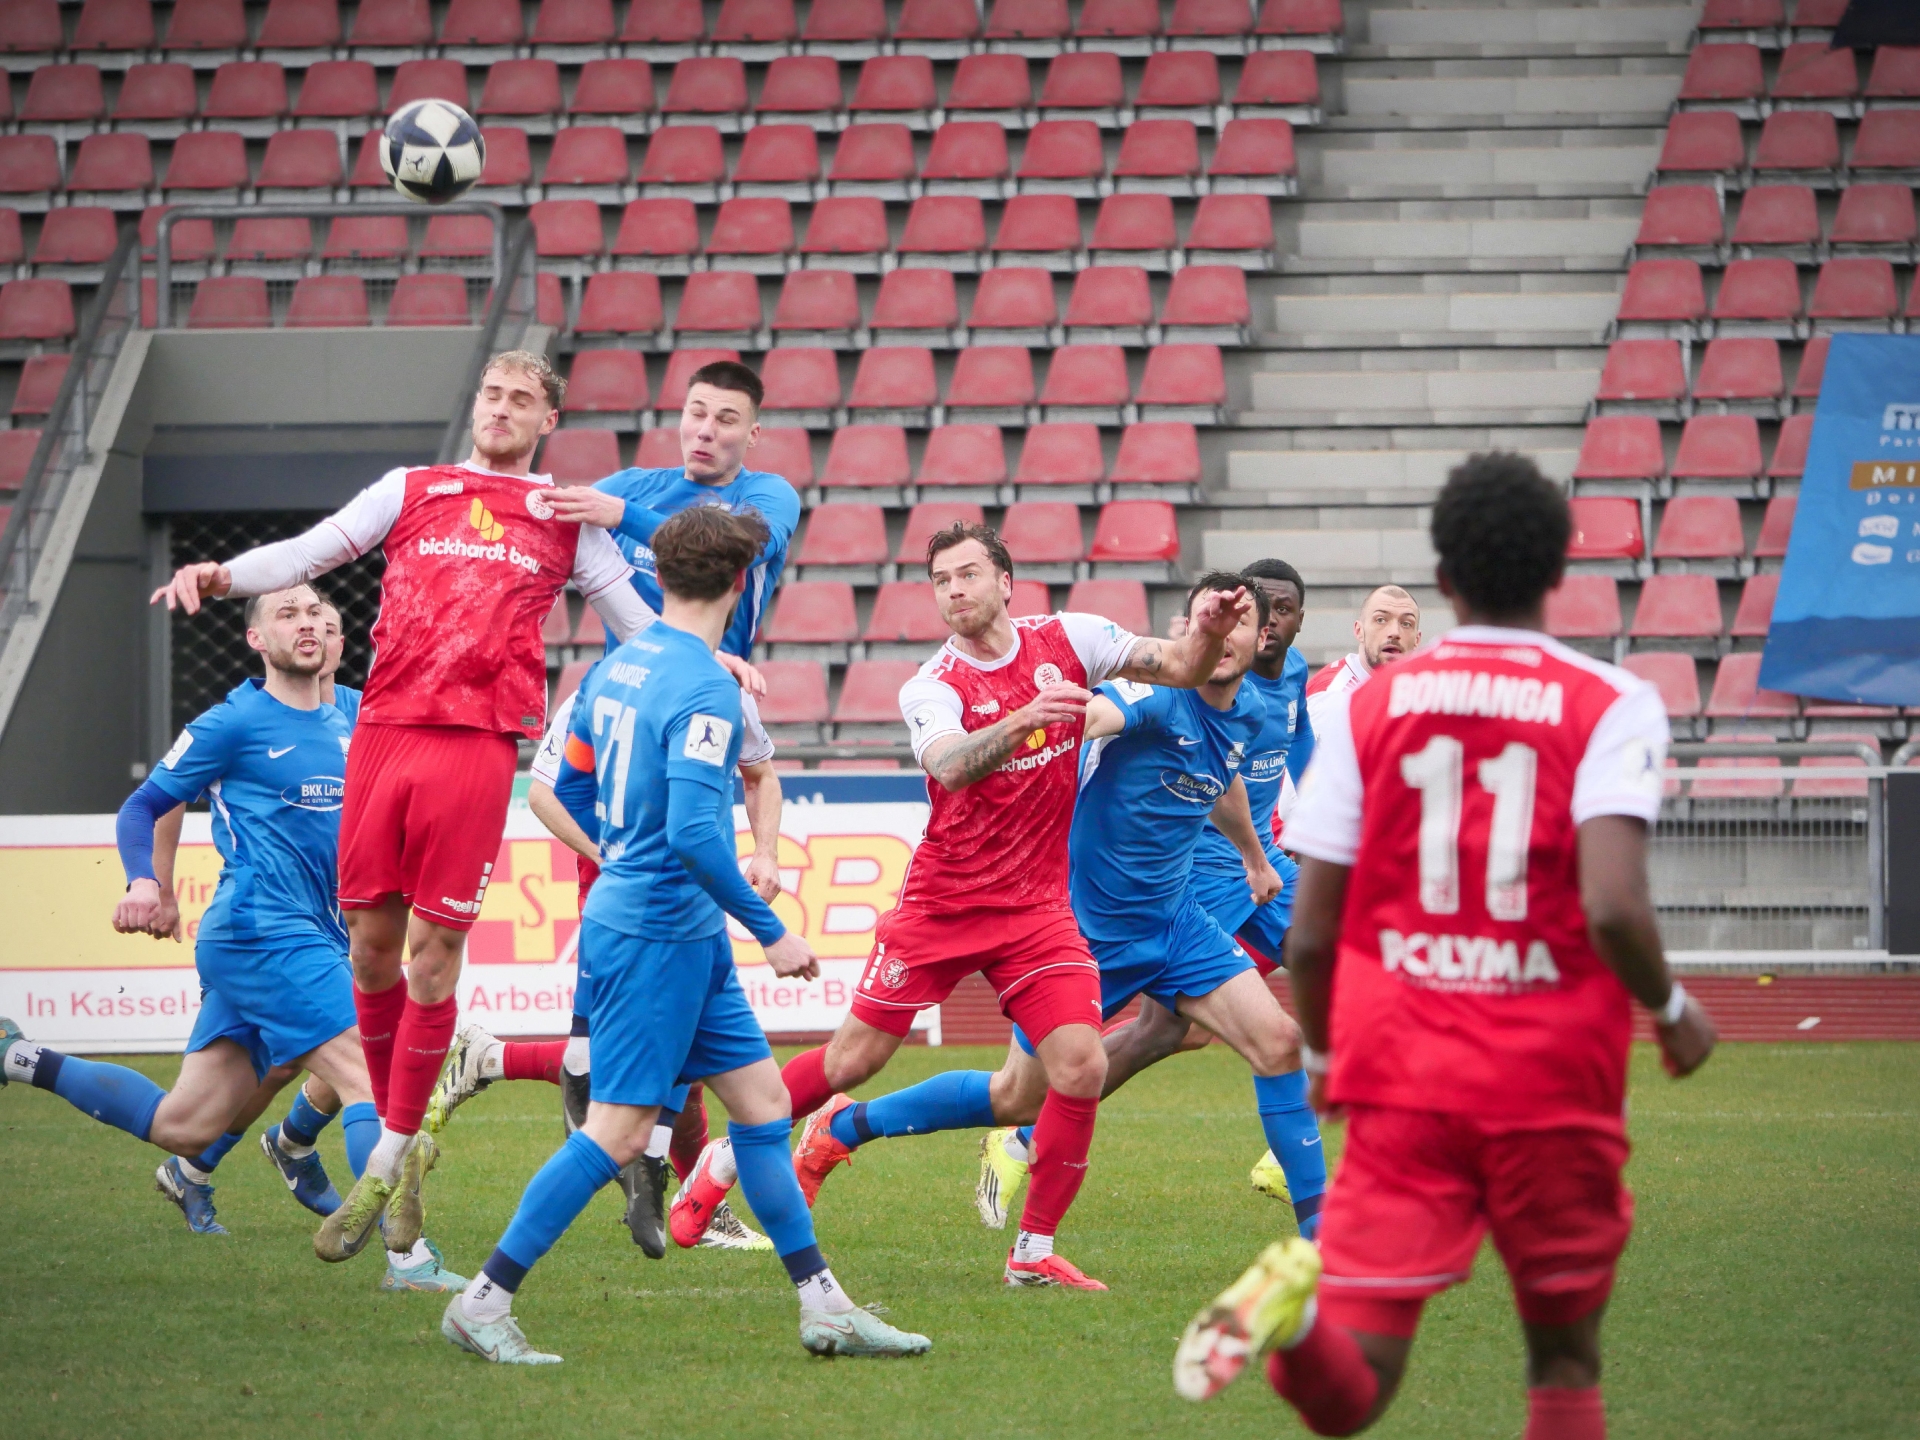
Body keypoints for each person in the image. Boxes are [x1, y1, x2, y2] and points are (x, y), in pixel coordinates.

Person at [1173, 454, 1719, 1440]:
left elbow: (1315, 932)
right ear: (1559, 570)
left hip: (1407, 1075)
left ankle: (1293, 1326)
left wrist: (1327, 1057)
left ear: (1445, 577)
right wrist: (1674, 1012)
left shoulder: (1368, 707)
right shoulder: (1613, 702)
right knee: (1563, 1359)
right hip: (1551, 1080)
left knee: (1356, 1388)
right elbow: (1613, 907)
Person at [150, 350, 677, 1264]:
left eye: (521, 399)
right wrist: (224, 574)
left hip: (476, 747)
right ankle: (396, 1136)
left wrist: (707, 660)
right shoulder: (412, 488)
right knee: (369, 947)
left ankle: (392, 1148)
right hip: (385, 735)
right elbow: (309, 552)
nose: (500, 408)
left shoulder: (561, 517)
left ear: (547, 420)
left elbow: (639, 628)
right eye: (492, 394)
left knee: (434, 958)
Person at [673, 523, 1254, 1292]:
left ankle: (1032, 1252)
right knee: (853, 1062)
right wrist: (1025, 718)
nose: (955, 590)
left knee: (1079, 1066)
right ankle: (723, 1158)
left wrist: (1207, 633)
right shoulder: (933, 684)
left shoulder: (1072, 638)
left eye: (969, 574)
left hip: (1038, 907)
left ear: (1005, 582)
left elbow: (1180, 666)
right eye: (941, 580)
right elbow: (949, 766)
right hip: (944, 902)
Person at [441, 508, 929, 1364]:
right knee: (619, 1132)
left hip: (670, 929)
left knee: (764, 1107)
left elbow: (569, 789)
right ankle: (482, 1302)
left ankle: (825, 1307)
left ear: (658, 576)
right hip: (656, 936)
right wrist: (772, 931)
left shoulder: (613, 668)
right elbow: (697, 837)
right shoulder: (708, 688)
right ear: (741, 585)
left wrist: (618, 857)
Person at [0, 586, 463, 1292]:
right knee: (371, 1074)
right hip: (261, 931)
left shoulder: (355, 712)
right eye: (287, 614)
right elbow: (147, 803)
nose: (306, 623)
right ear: (256, 640)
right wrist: (147, 883)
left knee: (184, 1126)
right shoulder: (232, 721)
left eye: (317, 613)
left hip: (305, 935)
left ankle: (18, 1056)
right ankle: (407, 1259)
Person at [977, 559, 1323, 1228]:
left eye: (1272, 614)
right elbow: (1096, 717)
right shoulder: (1158, 691)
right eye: (1226, 618)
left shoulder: (1264, 696)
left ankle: (1317, 1209)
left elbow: (1226, 769)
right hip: (1152, 891)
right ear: (1191, 627)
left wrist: (1258, 856)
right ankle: (1000, 1135)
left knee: (1252, 1028)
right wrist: (1028, 737)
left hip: (1209, 888)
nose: (1262, 626)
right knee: (1045, 1079)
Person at [426, 653, 784, 1254]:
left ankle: (681, 1196)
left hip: (697, 896)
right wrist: (607, 856)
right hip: (621, 903)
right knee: (617, 1060)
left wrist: (765, 851)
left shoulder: (725, 687)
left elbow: (760, 774)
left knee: (679, 1058)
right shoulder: (601, 688)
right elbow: (545, 793)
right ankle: (497, 1073)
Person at [545, 359, 799, 662]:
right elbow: (537, 529)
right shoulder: (629, 487)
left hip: (707, 680)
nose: (705, 431)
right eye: (697, 414)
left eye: (726, 420)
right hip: (622, 680)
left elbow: (733, 550)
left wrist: (625, 516)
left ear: (752, 435)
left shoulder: (770, 495)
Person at [1304, 583, 1422, 733]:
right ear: (1359, 631)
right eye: (1381, 620)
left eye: (1406, 623)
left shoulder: (1422, 692)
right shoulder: (1334, 697)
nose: (1394, 632)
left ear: (1417, 639)